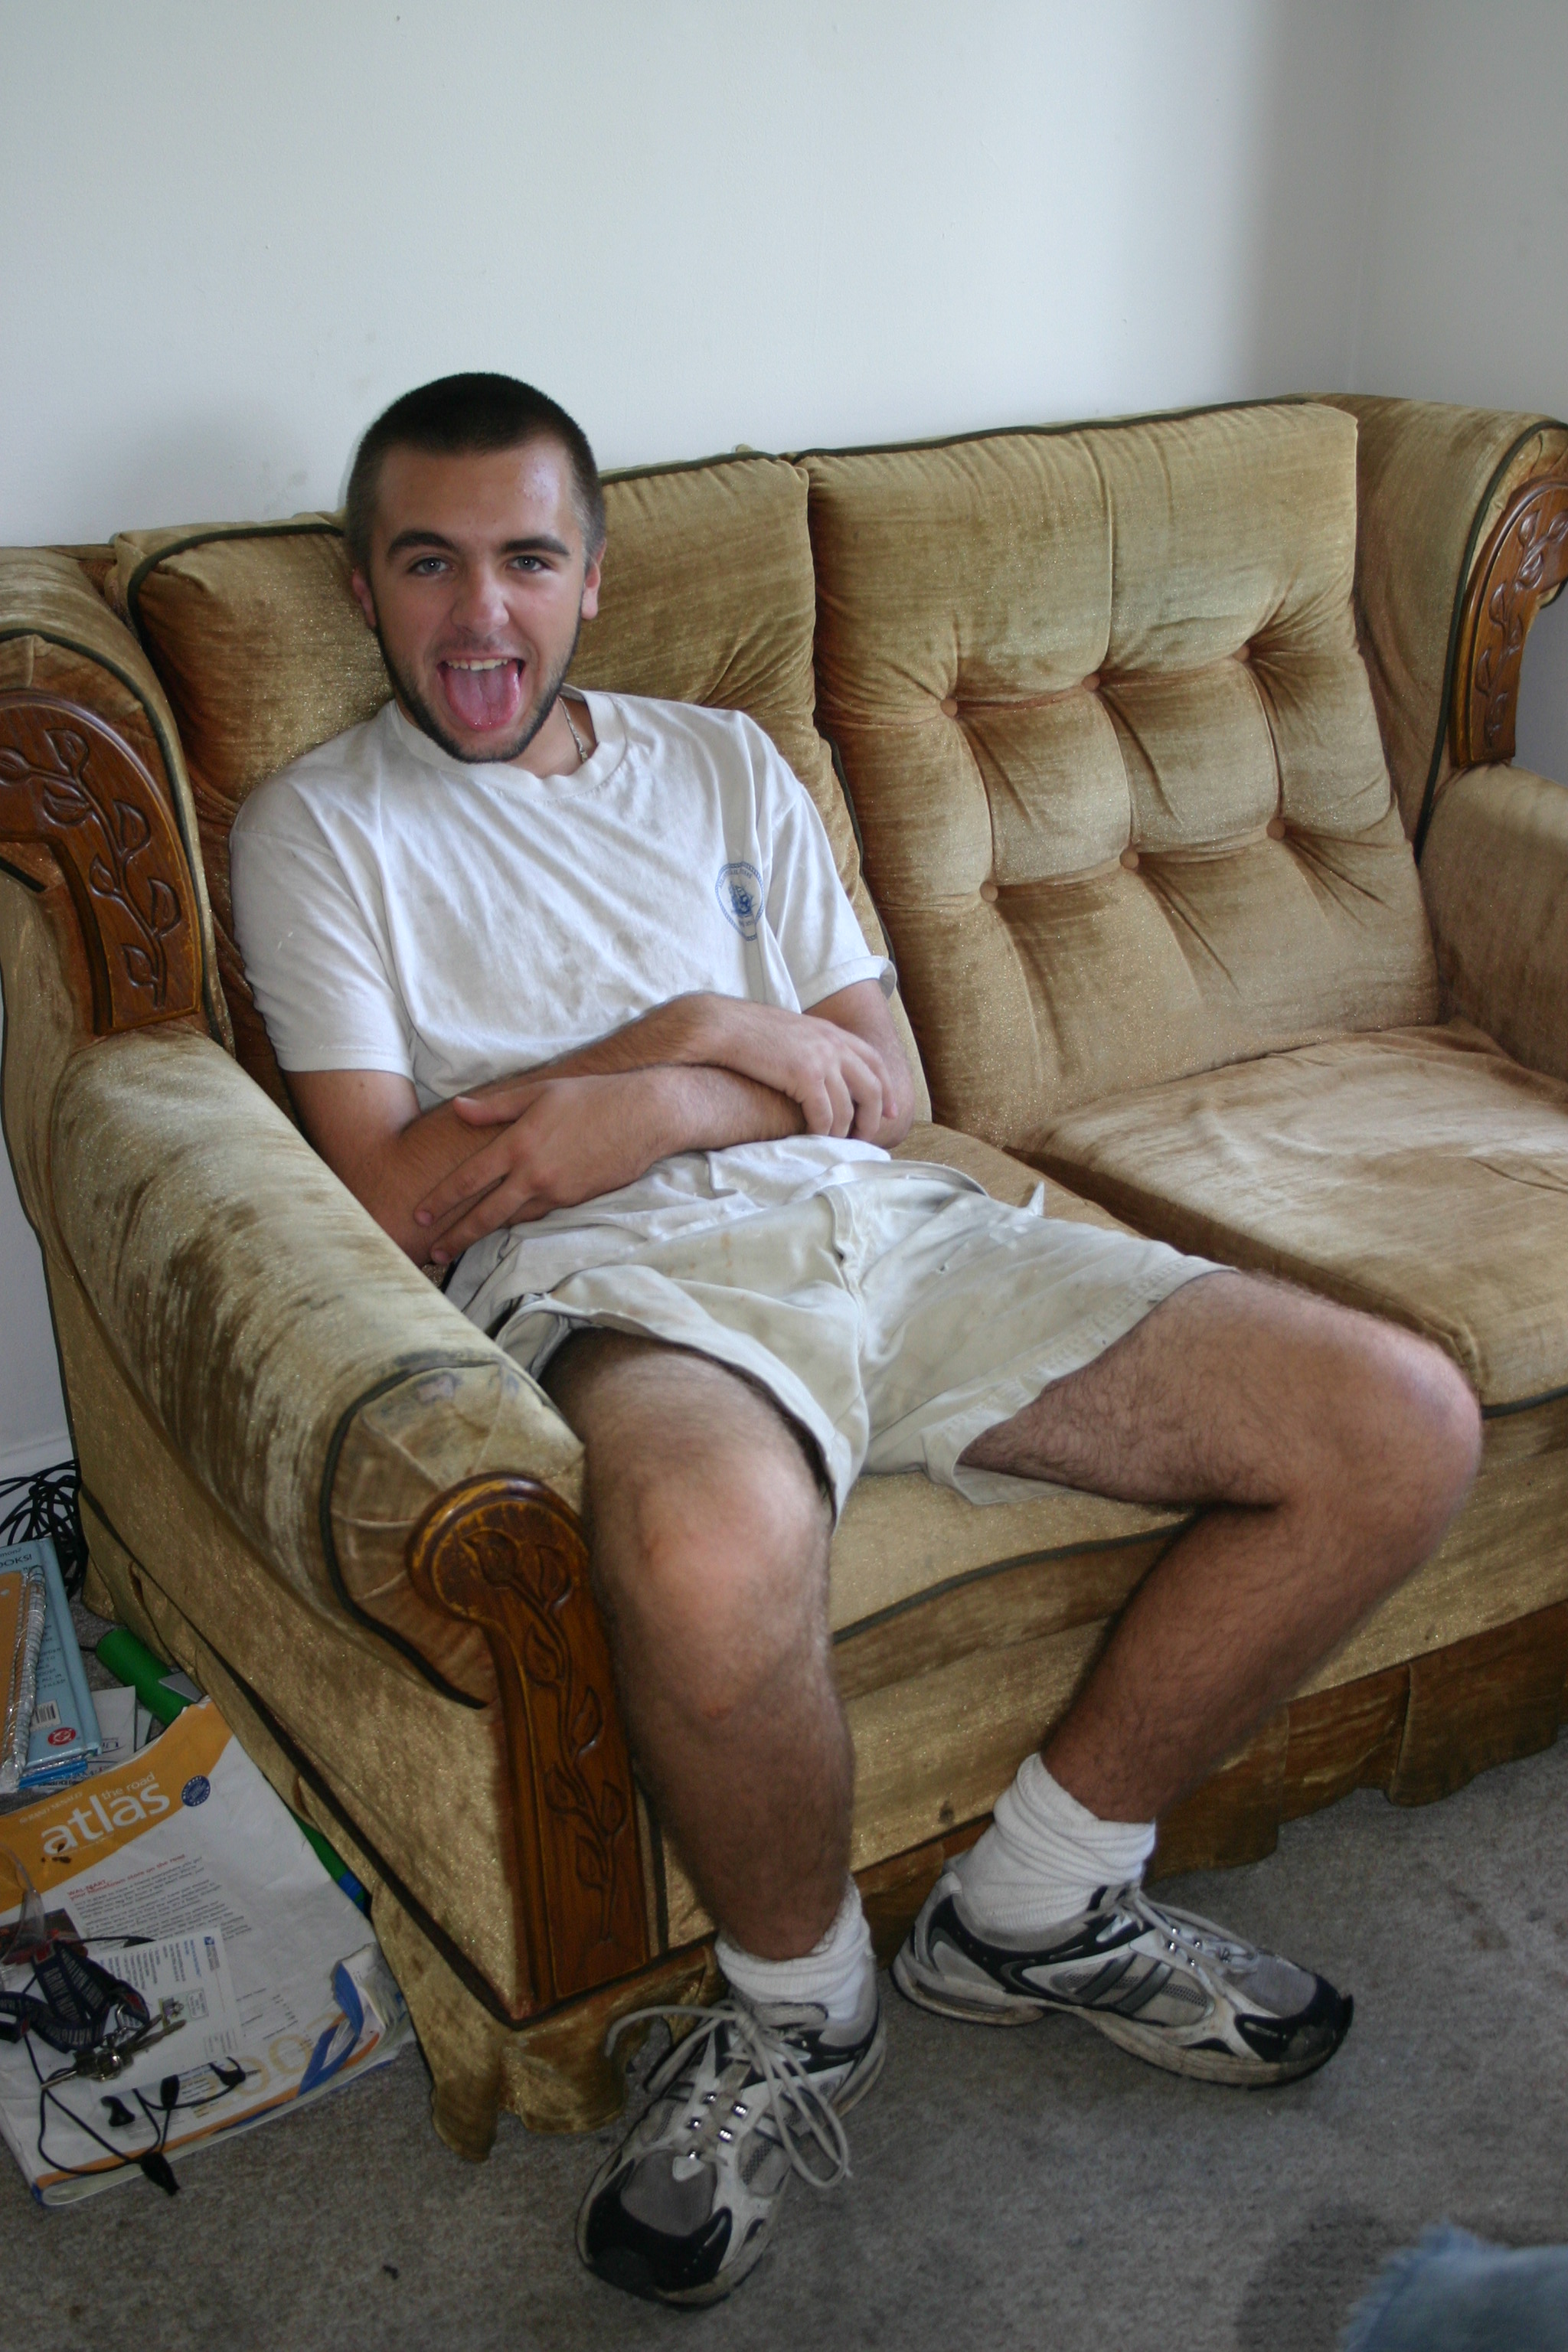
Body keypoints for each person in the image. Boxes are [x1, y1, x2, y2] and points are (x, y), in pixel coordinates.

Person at [230, 373, 1483, 2308]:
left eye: (527, 561)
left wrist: (638, 1092)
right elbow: (402, 1199)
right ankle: (799, 2010)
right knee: (704, 1551)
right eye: (428, 564)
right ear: (362, 584)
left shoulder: (724, 763)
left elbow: (880, 1087)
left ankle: (1039, 1902)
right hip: (624, 1289)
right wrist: (699, 1038)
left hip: (887, 1231)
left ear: (591, 578)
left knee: (1398, 1419)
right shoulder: (323, 830)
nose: (481, 615)